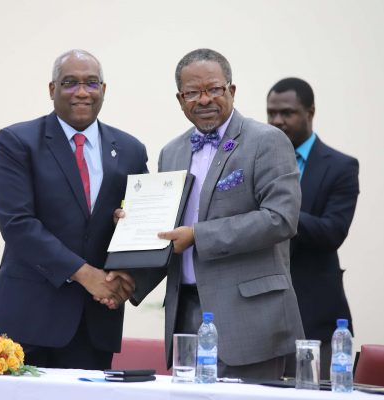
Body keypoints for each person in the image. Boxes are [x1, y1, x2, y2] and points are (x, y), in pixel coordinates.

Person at [120, 49, 304, 380]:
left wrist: (198, 235)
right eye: (193, 92)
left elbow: (281, 218)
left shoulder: (267, 141)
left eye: (214, 89)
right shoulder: (172, 152)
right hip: (186, 314)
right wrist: (131, 255)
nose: (204, 99)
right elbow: (170, 235)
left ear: (231, 91)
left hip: (251, 318)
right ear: (180, 99)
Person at [0, 49, 148, 369]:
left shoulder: (130, 149)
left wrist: (128, 277)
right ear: (52, 89)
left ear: (104, 89)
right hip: (25, 320)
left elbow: (140, 220)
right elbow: (18, 225)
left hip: (95, 322)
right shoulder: (17, 142)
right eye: (70, 83)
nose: (82, 92)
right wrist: (87, 276)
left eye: (91, 83)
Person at [266, 77, 359, 378]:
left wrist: (280, 214)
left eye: (287, 113)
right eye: (271, 113)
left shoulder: (341, 166)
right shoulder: (258, 163)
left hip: (316, 313)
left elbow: (333, 231)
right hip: (262, 313)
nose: (277, 121)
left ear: (310, 112)